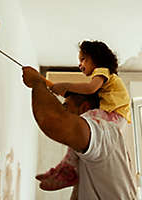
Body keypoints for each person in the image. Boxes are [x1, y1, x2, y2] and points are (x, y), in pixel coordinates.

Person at [22, 66, 137, 199]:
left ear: (85, 108)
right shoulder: (95, 140)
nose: (64, 112)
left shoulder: (103, 132)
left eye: (66, 107)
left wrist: (37, 83)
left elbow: (55, 122)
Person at [36, 40, 132, 192]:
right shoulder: (105, 80)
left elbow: (89, 88)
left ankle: (67, 170)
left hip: (115, 115)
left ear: (97, 58)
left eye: (83, 59)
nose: (80, 65)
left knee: (84, 120)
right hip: (117, 118)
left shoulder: (102, 71)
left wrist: (65, 85)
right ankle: (65, 168)